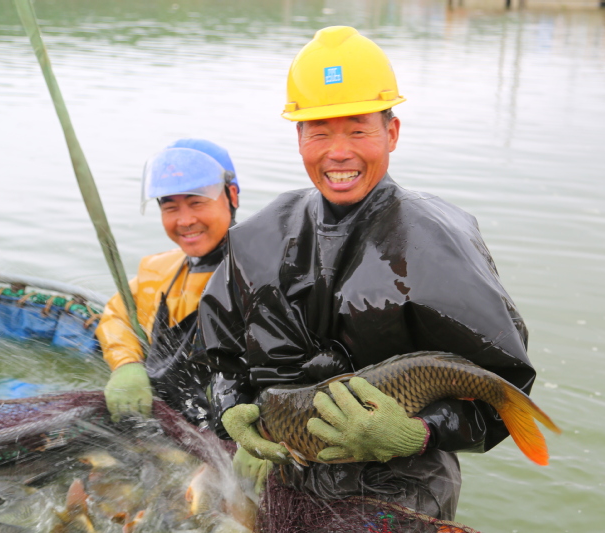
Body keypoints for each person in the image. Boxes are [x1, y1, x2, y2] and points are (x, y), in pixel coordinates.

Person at [195, 26, 536, 520]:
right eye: (320, 131)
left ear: (391, 133)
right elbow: (219, 350)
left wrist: (420, 432)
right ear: (299, 137)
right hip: (284, 470)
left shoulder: (437, 242)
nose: (339, 152)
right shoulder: (258, 236)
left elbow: (504, 385)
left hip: (402, 489)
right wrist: (231, 406)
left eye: (358, 130)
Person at [97, 139, 240, 427]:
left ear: (232, 196)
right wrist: (127, 365)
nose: (185, 220)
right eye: (171, 207)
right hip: (159, 421)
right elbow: (116, 317)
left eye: (197, 202)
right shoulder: (158, 269)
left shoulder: (261, 272)